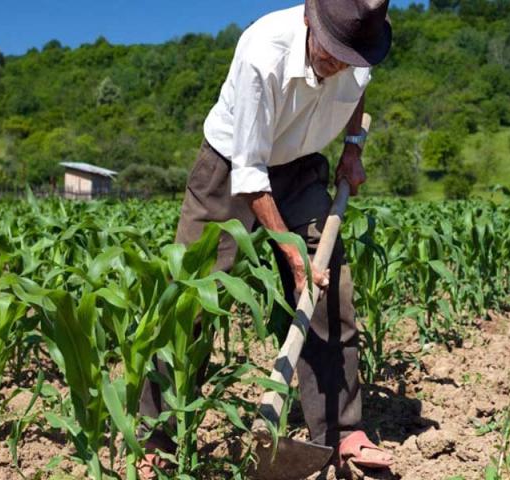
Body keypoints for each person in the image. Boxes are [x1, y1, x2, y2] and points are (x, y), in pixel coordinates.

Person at [137, 0, 394, 477]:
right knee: (190, 300)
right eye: (331, 50)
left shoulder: (363, 40)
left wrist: (352, 147)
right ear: (310, 21)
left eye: (349, 56)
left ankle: (340, 431)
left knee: (330, 291)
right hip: (231, 167)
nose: (339, 62)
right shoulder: (262, 52)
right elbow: (250, 175)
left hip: (302, 166)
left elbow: (357, 90)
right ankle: (156, 436)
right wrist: (292, 255)